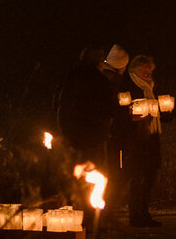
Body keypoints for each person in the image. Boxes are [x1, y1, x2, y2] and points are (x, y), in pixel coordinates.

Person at [123, 54, 165, 227]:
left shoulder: (150, 87)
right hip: (137, 138)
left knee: (150, 175)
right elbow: (125, 111)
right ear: (135, 69)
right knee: (137, 175)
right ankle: (135, 215)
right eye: (145, 68)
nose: (149, 72)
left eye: (151, 69)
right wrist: (137, 119)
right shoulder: (130, 86)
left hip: (152, 134)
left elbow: (156, 111)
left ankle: (144, 213)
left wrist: (167, 113)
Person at [56, 46, 115, 167]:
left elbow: (60, 102)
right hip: (93, 135)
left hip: (71, 133)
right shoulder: (100, 81)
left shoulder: (70, 77)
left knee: (73, 167)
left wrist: (63, 128)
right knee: (92, 169)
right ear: (99, 62)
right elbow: (109, 106)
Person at [100, 45, 132, 221]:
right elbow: (114, 107)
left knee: (110, 172)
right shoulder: (113, 81)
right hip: (113, 134)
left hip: (105, 133)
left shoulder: (102, 77)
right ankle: (108, 210)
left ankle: (105, 210)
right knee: (115, 173)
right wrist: (128, 114)